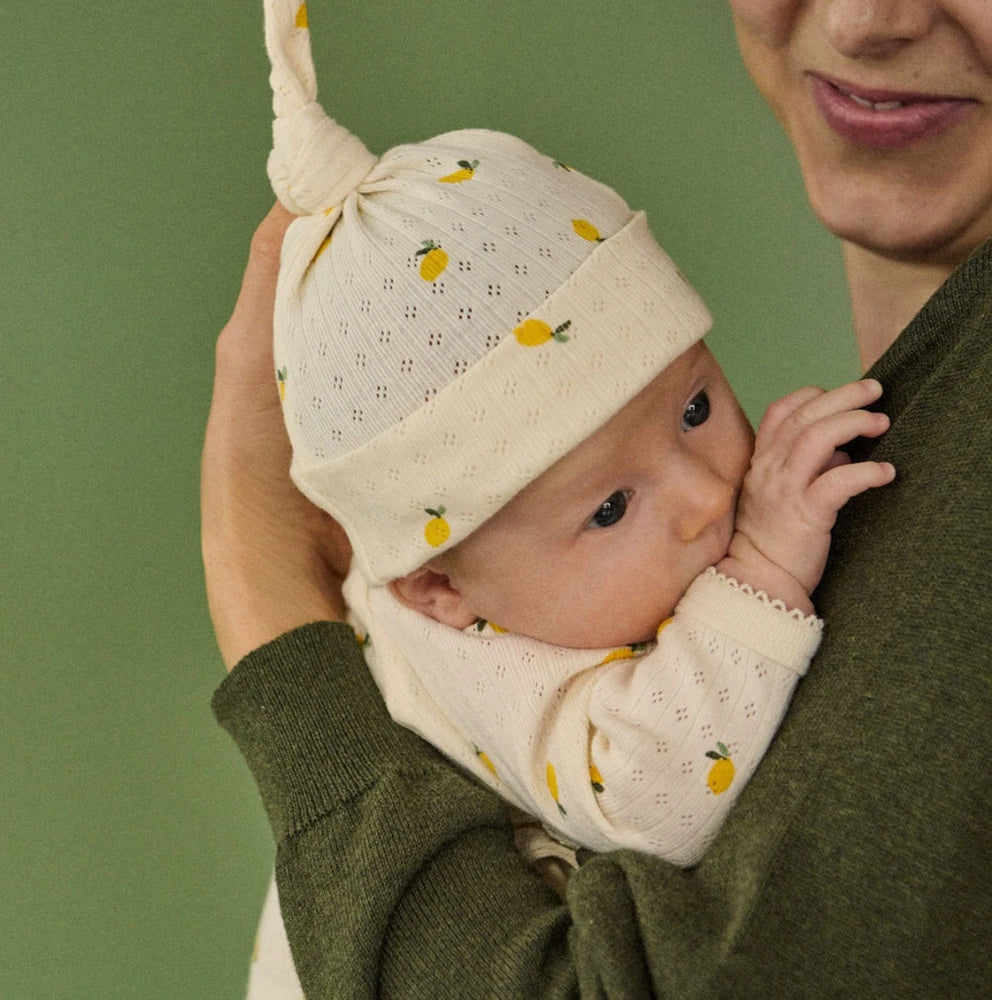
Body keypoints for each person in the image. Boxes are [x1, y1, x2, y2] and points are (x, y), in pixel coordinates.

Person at [204, 1, 992, 997]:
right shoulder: (486, 662)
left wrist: (264, 590)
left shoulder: (524, 577)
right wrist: (761, 575)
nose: (706, 496)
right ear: (435, 590)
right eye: (609, 510)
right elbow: (652, 793)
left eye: (696, 405)